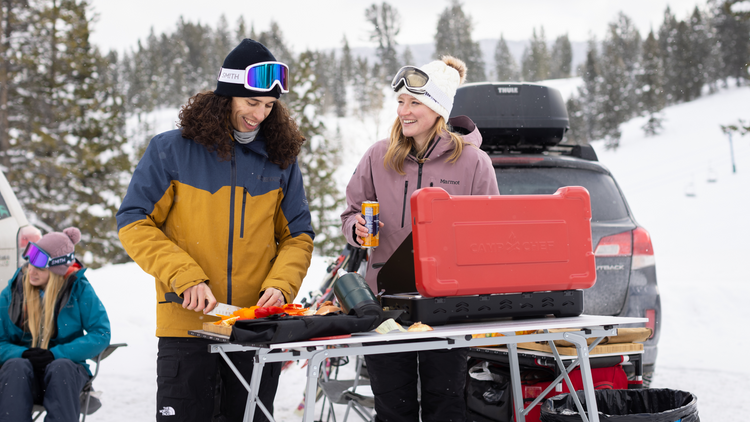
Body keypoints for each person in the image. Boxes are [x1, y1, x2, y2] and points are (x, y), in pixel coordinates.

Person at [116, 38, 314, 422]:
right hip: (187, 329)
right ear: (226, 97)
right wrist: (185, 277)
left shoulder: (280, 162)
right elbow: (134, 221)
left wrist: (282, 284)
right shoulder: (170, 151)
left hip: (252, 328)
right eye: (252, 103)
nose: (260, 115)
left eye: (269, 106)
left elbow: (298, 236)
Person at [340, 56, 500, 422]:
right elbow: (350, 213)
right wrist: (356, 229)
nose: (404, 111)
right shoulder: (378, 156)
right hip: (385, 303)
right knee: (393, 410)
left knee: (445, 407)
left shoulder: (474, 163)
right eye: (400, 101)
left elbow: (488, 234)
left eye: (415, 102)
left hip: (447, 303)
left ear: (439, 108)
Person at [0, 227, 111, 421]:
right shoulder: (13, 292)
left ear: (57, 270)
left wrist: (57, 354)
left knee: (61, 368)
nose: (31, 271)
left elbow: (100, 333)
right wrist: (21, 353)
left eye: (40, 268)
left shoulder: (78, 289)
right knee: (16, 367)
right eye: (30, 264)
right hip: (21, 378)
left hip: (66, 377)